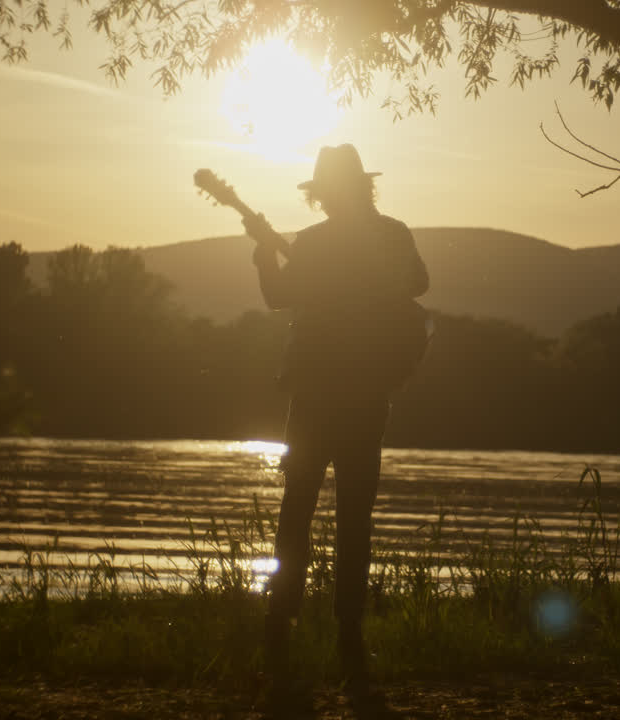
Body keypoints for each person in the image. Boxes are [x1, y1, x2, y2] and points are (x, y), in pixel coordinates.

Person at [241, 144, 429, 692]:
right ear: (364, 185)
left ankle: (281, 621)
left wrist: (263, 257)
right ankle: (348, 630)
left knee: (296, 506)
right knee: (355, 513)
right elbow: (418, 286)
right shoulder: (393, 233)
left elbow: (279, 298)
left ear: (322, 191)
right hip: (368, 392)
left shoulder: (315, 243)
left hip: (316, 391)